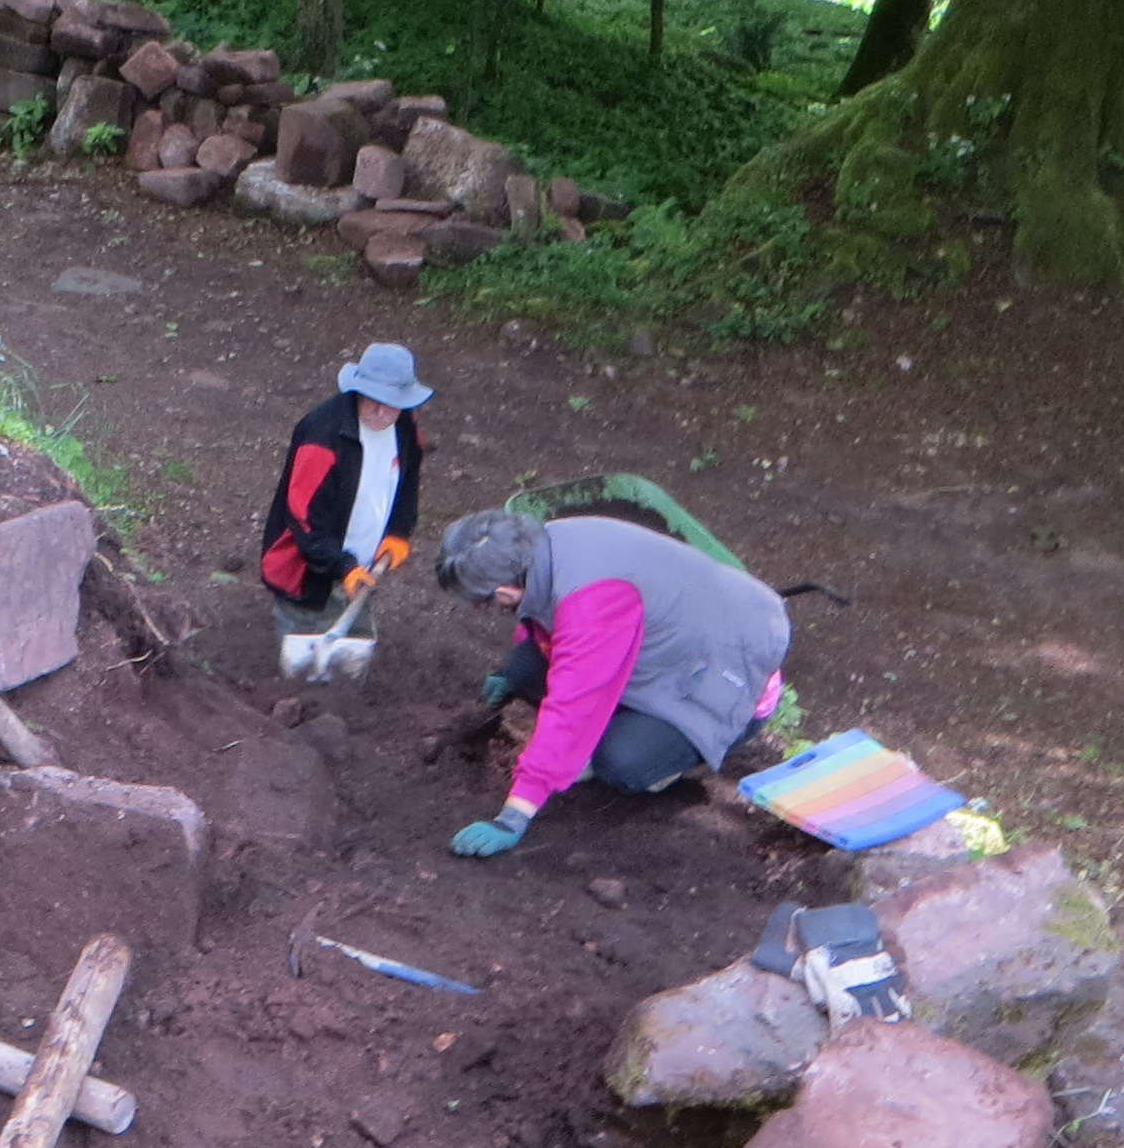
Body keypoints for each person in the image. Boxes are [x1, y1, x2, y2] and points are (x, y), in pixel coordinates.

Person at [433, 507, 793, 855]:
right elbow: (543, 611)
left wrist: (513, 816)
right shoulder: (542, 544)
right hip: (667, 645)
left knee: (620, 760)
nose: (488, 609)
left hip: (728, 677)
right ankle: (625, 723)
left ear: (504, 591)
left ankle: (667, 764)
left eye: (487, 602)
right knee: (525, 669)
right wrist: (512, 670)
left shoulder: (594, 602)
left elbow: (573, 706)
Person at [258, 342, 430, 613]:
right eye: (374, 400)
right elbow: (305, 522)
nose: (381, 412)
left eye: (391, 404)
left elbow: (407, 483)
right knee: (310, 633)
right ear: (359, 390)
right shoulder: (322, 439)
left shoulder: (404, 426)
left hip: (363, 568)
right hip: (309, 577)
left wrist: (398, 531)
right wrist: (343, 566)